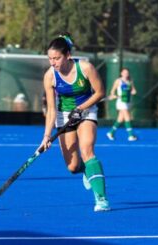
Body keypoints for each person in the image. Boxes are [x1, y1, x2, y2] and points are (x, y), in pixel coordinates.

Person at [41, 32, 110, 212]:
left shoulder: (85, 68)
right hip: (64, 116)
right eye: (50, 59)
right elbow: (51, 109)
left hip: (86, 111)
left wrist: (81, 109)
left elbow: (100, 92)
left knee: (87, 150)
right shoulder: (50, 76)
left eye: (56, 58)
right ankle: (87, 171)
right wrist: (47, 135)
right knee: (72, 167)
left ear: (68, 55)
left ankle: (101, 198)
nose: (53, 62)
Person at [106, 68, 137, 141]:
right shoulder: (118, 81)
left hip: (128, 102)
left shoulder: (130, 81)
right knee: (127, 117)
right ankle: (131, 135)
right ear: (121, 73)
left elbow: (133, 91)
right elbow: (112, 91)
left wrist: (132, 92)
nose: (126, 74)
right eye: (124, 72)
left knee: (120, 119)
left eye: (127, 72)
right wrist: (114, 95)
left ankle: (111, 133)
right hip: (121, 102)